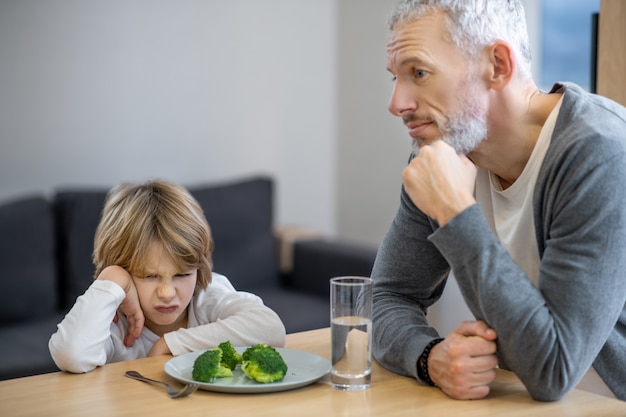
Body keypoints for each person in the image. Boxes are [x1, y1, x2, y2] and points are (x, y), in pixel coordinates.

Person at [373, 0, 626, 402]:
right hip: (513, 403)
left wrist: (455, 211)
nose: (397, 103)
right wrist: (428, 357)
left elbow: (552, 371)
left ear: (497, 65)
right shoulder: (443, 153)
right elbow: (388, 296)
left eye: (419, 73)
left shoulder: (600, 153)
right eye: (396, 78)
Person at [49, 180, 286, 373]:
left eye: (182, 274)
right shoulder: (113, 319)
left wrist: (170, 344)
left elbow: (271, 328)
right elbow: (71, 355)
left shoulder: (206, 297)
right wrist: (112, 278)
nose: (167, 293)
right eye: (149, 276)